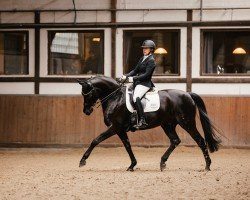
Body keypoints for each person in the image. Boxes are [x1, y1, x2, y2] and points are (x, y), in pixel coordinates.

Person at [121, 40, 156, 129]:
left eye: (146, 48)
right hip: (138, 83)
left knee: (136, 97)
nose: (144, 50)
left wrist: (133, 78)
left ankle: (142, 120)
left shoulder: (151, 61)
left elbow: (146, 75)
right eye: (143, 48)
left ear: (151, 49)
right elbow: (135, 70)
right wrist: (126, 76)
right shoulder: (142, 58)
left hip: (145, 84)